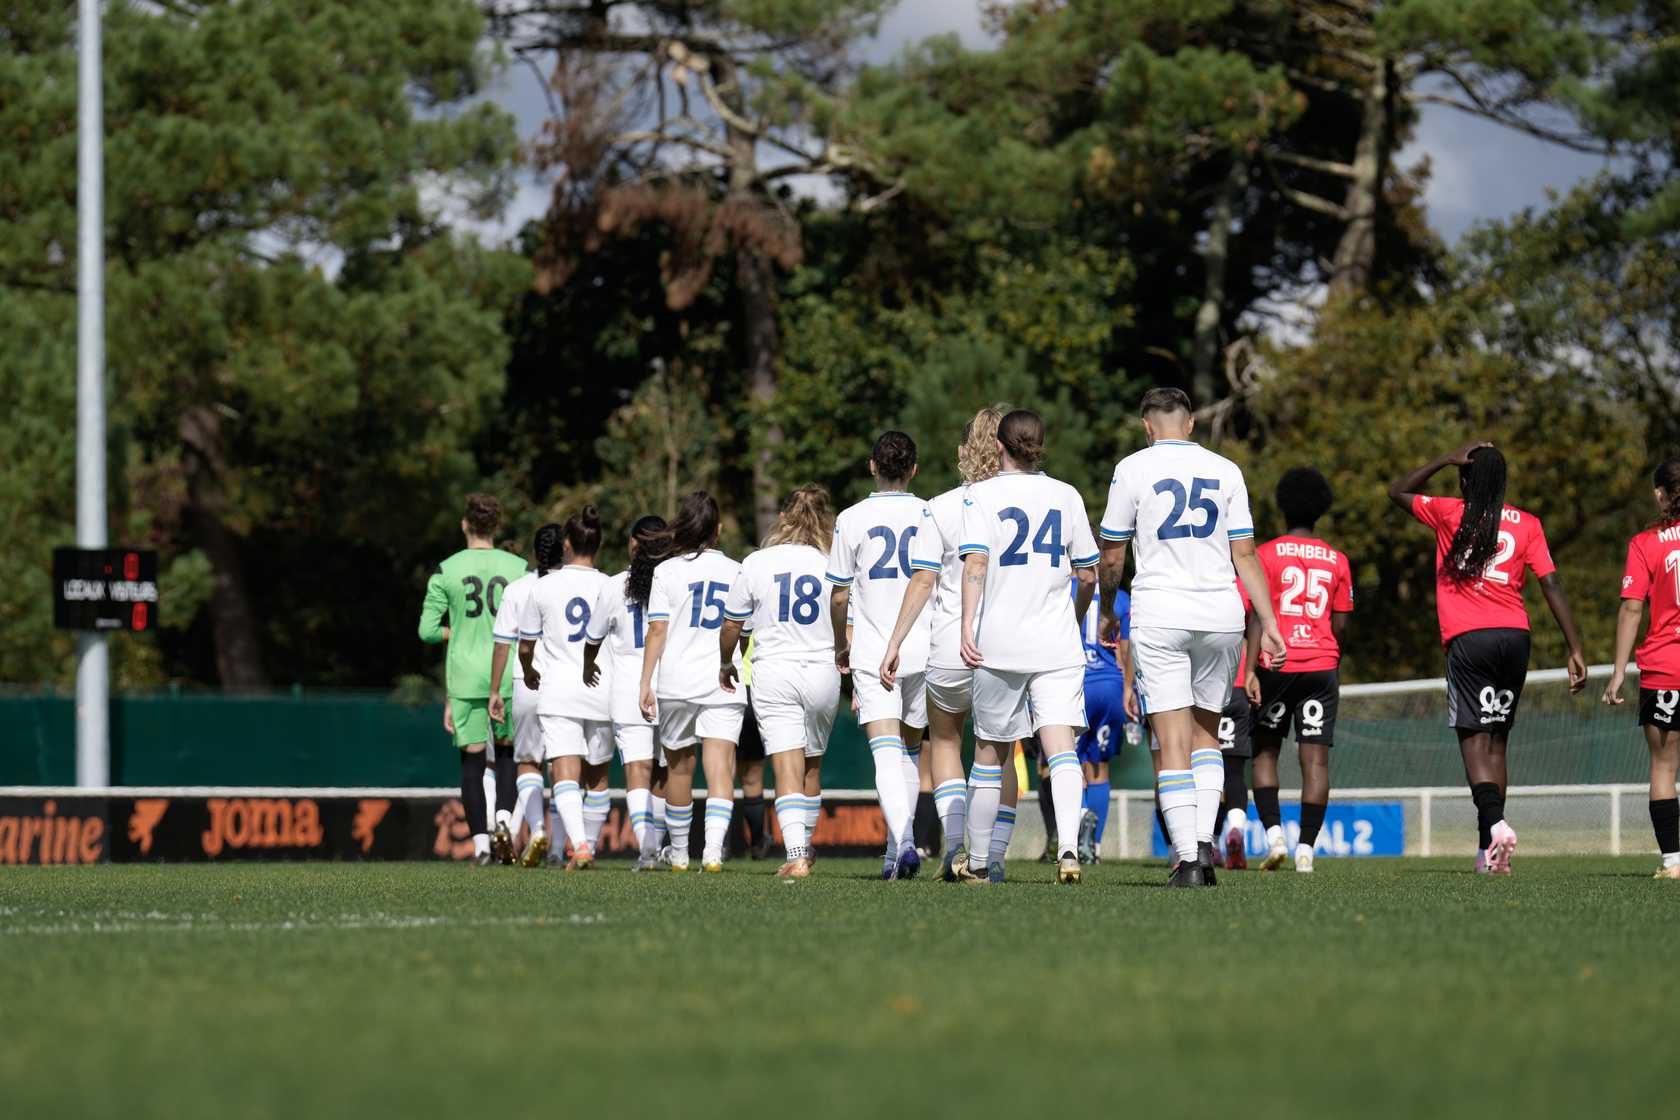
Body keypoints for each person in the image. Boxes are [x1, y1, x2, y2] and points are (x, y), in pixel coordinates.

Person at [1099, 387, 1287, 888]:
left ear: (1146, 426)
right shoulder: (1227, 470)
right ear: (1190, 425)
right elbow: (1245, 555)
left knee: (1173, 741)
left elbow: (1113, 555)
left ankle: (1188, 860)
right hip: (1222, 615)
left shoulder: (1131, 468)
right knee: (1208, 738)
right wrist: (1268, 622)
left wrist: (1105, 612)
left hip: (1161, 612)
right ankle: (1203, 845)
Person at [1389, 441, 1586, 874]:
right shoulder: (1528, 524)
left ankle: (1495, 824)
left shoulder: (1448, 512)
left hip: (1469, 639)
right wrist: (1574, 647)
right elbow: (1551, 585)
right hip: (1515, 637)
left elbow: (1397, 491)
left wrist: (1442, 458)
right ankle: (1488, 852)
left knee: (1473, 741)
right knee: (1498, 743)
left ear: (1464, 479)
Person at [952, 409, 1100, 885]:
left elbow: (975, 563)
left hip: (1000, 641)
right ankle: (1071, 851)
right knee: (1062, 750)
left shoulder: (980, 495)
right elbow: (1088, 574)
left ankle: (977, 862)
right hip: (1056, 643)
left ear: (999, 444)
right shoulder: (1067, 495)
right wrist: (1074, 617)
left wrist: (966, 626)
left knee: (989, 754)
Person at [880, 407, 1019, 881]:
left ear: (964, 452)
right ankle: (993, 854)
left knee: (943, 740)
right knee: (998, 750)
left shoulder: (937, 507)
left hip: (949, 645)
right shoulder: (1026, 501)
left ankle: (957, 845)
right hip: (1006, 643)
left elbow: (923, 581)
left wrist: (895, 641)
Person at [827, 431, 936, 880]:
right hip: (925, 644)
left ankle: (904, 843)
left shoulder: (852, 518)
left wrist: (841, 646)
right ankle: (896, 852)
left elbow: (838, 596)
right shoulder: (932, 511)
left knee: (886, 752)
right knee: (910, 753)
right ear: (913, 469)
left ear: (872, 465)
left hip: (874, 648)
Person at [719, 486, 840, 879]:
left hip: (775, 670)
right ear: (824, 520)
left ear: (783, 517)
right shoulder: (832, 561)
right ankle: (804, 847)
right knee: (811, 766)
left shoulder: (756, 562)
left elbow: (733, 624)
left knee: (786, 765)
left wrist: (726, 661)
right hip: (822, 667)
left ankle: (797, 854)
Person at [1247, 467, 1355, 874]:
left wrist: (1253, 668)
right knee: (1316, 762)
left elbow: (1257, 614)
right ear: (1321, 509)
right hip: (1322, 666)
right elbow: (1342, 621)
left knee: (1265, 751)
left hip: (1276, 664)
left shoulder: (1266, 554)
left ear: (1282, 505)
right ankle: (1307, 851)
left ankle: (1275, 837)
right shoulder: (1338, 559)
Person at [638, 492, 746, 873]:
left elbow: (656, 630)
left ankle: (681, 853)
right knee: (720, 768)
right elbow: (742, 629)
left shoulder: (666, 571)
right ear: (717, 530)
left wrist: (644, 682)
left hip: (678, 680)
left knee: (679, 769)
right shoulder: (737, 569)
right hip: (724, 678)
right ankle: (713, 852)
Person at [419, 494, 529, 866]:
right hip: (509, 674)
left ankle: (481, 845)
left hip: (465, 677)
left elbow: (427, 631)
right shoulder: (519, 567)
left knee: (472, 763)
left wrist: (460, 634)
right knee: (509, 752)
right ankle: (503, 822)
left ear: (465, 525)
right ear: (496, 527)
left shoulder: (446, 569)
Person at [515, 508, 613, 869]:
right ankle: (587, 845)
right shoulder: (610, 585)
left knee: (564, 772)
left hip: (558, 690)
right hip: (602, 689)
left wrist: (528, 672)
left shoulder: (543, 586)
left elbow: (526, 646)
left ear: (567, 544)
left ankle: (581, 849)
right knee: (598, 776)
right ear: (598, 544)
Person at [1602, 458, 1680, 879]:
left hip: (1667, 666)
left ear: (1659, 494)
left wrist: (1618, 671)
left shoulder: (1645, 543)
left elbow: (1633, 607)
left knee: (1665, 766)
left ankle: (1674, 862)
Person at [583, 515, 670, 871]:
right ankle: (665, 848)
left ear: (634, 543)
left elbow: (593, 637)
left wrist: (588, 664)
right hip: (670, 684)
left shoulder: (614, 586)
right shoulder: (674, 580)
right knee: (666, 772)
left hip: (628, 688)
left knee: (637, 770)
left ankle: (647, 851)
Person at [489, 524, 561, 867]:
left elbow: (503, 643)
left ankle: (536, 830)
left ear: (534, 553)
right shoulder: (582, 585)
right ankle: (562, 847)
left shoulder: (518, 589)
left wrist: (494, 691)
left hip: (526, 683)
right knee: (565, 766)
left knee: (528, 762)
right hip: (569, 685)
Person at [1076, 581, 1131, 864]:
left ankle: (1080, 816)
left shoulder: (1063, 588)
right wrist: (1129, 689)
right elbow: (1126, 650)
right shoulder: (1120, 598)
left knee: (1065, 761)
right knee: (1100, 768)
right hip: (1111, 685)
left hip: (1075, 682)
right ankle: (1094, 847)